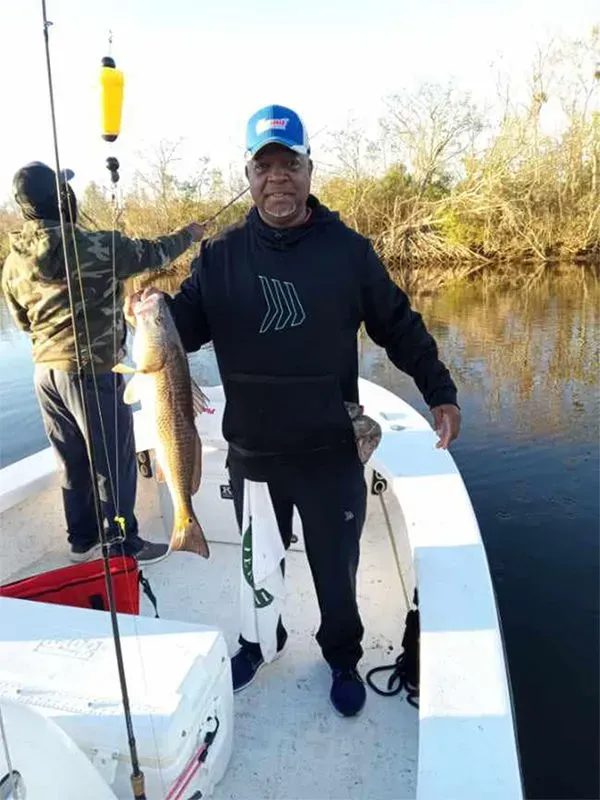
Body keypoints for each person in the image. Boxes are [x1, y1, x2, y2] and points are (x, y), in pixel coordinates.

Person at [127, 104, 461, 715]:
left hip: (330, 450)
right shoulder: (219, 255)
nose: (277, 176)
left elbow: (398, 325)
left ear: (309, 170)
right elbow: (186, 329)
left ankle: (341, 656)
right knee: (260, 567)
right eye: (264, 166)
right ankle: (262, 640)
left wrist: (439, 389)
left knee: (338, 572)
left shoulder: (348, 252)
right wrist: (152, 311)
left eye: (290, 163)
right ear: (248, 176)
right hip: (253, 455)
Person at [1, 161, 205, 565]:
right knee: (115, 458)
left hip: (46, 375)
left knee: (71, 458)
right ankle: (122, 541)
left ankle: (81, 540)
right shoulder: (99, 246)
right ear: (63, 199)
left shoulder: (12, 263)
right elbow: (156, 252)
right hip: (92, 372)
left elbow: (21, 321)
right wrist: (192, 234)